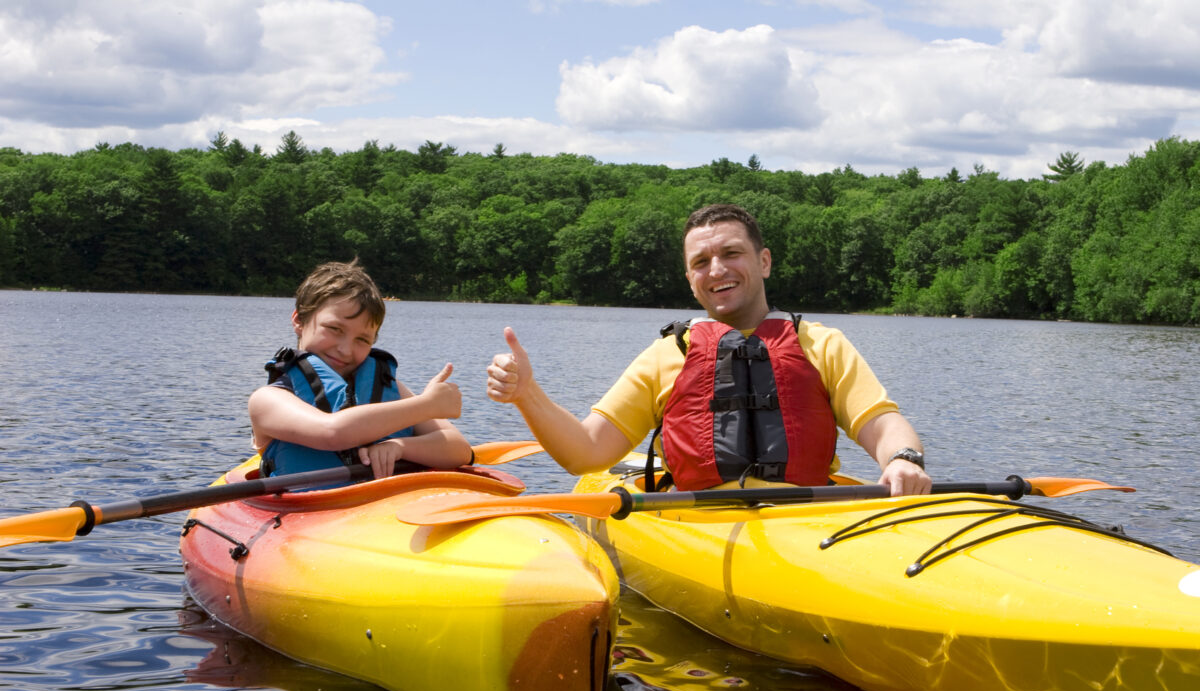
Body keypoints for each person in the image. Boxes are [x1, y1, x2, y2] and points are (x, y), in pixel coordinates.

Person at [486, 203, 931, 496]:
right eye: (700, 262)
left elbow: (882, 423)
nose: (716, 269)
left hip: (805, 518)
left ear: (764, 261)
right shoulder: (666, 356)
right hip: (696, 523)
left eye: (731, 253)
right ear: (690, 278)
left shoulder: (822, 344)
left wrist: (902, 459)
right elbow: (586, 453)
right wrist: (528, 394)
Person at [250, 259, 472, 480]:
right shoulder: (267, 400)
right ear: (299, 320)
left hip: (383, 509)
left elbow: (460, 449)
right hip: (309, 509)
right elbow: (332, 433)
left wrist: (400, 446)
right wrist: (427, 405)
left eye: (362, 339)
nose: (346, 350)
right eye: (335, 329)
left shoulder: (390, 388)